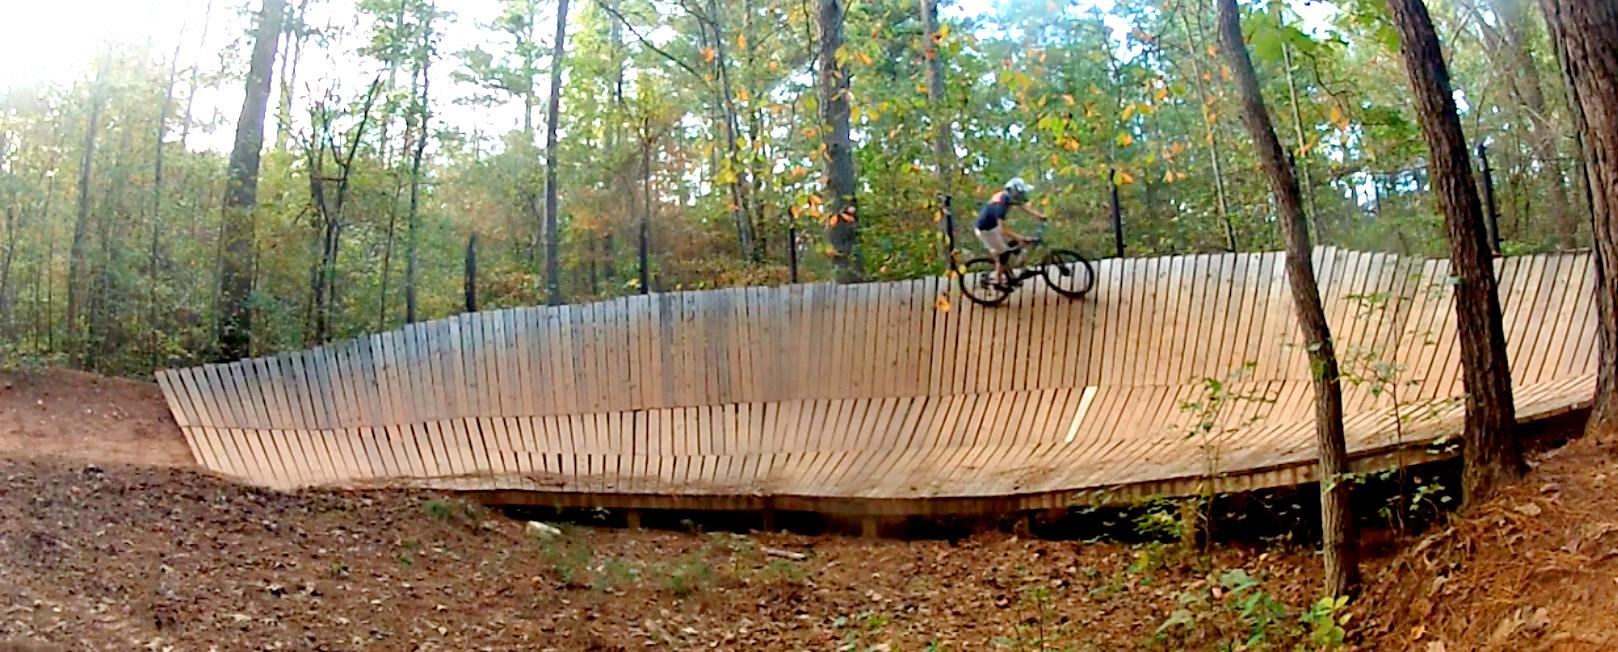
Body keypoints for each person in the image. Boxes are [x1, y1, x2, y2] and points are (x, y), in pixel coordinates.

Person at [974, 177, 1047, 287]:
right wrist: (1021, 238)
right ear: (1014, 192)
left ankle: (1020, 270)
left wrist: (1039, 216)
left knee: (1015, 245)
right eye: (1020, 193)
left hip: (993, 228)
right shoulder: (1001, 204)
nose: (1021, 195)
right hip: (986, 231)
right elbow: (1003, 230)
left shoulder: (1006, 196)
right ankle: (997, 281)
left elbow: (1023, 206)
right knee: (1004, 253)